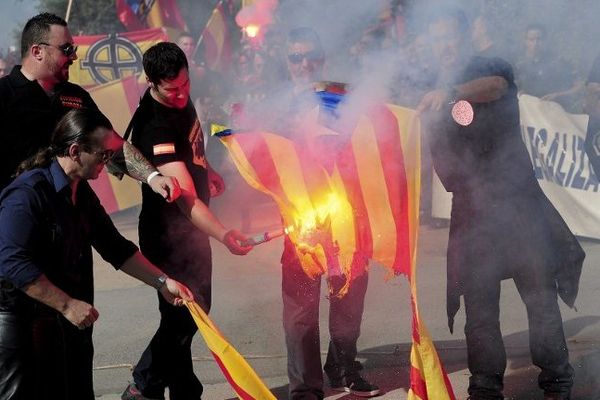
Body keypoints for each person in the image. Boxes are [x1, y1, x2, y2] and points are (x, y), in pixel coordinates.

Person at [416, 7, 584, 400]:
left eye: (449, 38)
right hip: (472, 213)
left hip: (518, 206)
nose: (443, 47)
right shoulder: (432, 86)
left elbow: (494, 86)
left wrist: (453, 93)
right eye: (436, 40)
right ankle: (485, 384)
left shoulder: (491, 65)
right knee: (479, 308)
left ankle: (557, 379)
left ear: (465, 38)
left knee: (540, 297)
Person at [0, 108, 194, 400]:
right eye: (103, 155)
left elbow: (114, 246)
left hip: (70, 320)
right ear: (76, 151)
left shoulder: (82, 193)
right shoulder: (27, 194)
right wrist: (66, 305)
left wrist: (162, 281)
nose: (108, 162)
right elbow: (11, 263)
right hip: (23, 323)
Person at [121, 42, 252, 400]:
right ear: (151, 83)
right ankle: (144, 384)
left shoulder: (181, 97)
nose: (181, 95)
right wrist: (225, 234)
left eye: (185, 85)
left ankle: (182, 390)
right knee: (186, 312)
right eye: (172, 89)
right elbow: (186, 201)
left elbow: (191, 144)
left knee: (193, 310)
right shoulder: (154, 125)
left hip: (191, 235)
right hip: (169, 235)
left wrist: (205, 170)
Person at [277, 27, 379, 399]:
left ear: (321, 61)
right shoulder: (275, 106)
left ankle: (343, 365)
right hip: (300, 224)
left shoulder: (340, 97)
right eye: (295, 57)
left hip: (346, 220)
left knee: (349, 298)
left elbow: (367, 142)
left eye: (310, 58)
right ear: (286, 62)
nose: (303, 64)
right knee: (301, 311)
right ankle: (305, 388)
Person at [0, 12, 180, 199]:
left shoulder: (76, 96)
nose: (74, 57)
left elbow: (111, 143)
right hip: (21, 211)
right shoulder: (4, 94)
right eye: (67, 49)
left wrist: (153, 178)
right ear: (38, 52)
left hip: (77, 208)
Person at [514, 23, 583, 112]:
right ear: (526, 41)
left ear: (546, 41)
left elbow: (580, 87)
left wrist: (558, 95)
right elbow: (514, 90)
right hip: (529, 116)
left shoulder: (559, 62)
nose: (535, 44)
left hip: (554, 115)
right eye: (531, 40)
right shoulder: (519, 65)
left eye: (539, 40)